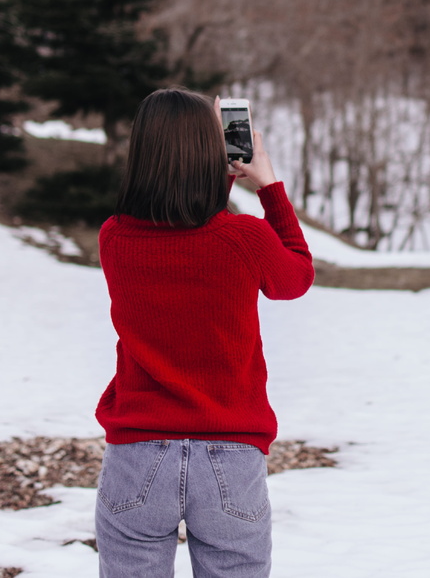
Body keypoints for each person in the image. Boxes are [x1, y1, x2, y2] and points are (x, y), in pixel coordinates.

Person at [94, 87, 314, 578]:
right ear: (211, 156)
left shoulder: (115, 238)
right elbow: (294, 277)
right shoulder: (245, 240)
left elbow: (181, 233)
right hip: (231, 455)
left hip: (137, 451)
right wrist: (267, 184)